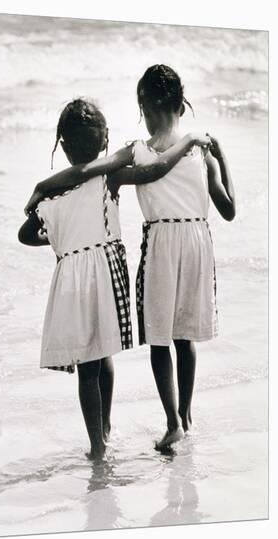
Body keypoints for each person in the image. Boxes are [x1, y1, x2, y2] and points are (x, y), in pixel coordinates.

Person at [19, 99, 211, 460]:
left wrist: (58, 237)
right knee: (102, 353)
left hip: (71, 280)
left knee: (87, 367)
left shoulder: (53, 194)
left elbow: (25, 234)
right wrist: (189, 143)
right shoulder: (110, 179)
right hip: (105, 276)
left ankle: (98, 443)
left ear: (62, 143)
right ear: (104, 140)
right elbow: (151, 172)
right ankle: (105, 429)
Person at [133, 64, 236, 449]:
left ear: (145, 105)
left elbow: (151, 172)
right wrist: (221, 158)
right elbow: (229, 211)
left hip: (161, 242)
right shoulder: (199, 154)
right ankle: (185, 415)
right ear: (180, 105)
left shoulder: (140, 153)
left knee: (160, 338)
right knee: (184, 336)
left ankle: (173, 420)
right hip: (196, 241)